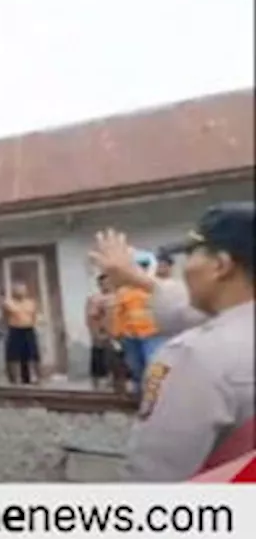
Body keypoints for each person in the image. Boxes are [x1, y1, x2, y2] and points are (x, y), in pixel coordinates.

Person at [90, 202, 255, 481]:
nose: (184, 268)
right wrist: (137, 278)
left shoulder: (193, 356)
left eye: (191, 254)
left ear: (220, 265)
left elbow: (155, 477)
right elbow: (200, 312)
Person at [112, 252, 163, 398]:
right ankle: (141, 395)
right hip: (131, 336)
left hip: (152, 334)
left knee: (153, 365)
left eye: (144, 266)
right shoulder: (123, 291)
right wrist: (117, 335)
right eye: (138, 266)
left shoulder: (155, 287)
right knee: (135, 366)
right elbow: (119, 314)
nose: (141, 269)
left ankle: (155, 396)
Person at [0, 281, 41, 384]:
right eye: (18, 290)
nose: (21, 292)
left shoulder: (31, 303)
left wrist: (35, 324)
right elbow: (4, 317)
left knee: (31, 354)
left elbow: (34, 316)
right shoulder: (9, 303)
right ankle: (14, 378)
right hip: (15, 329)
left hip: (28, 329)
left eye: (23, 290)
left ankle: (32, 377)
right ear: (14, 292)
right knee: (14, 355)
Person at [85, 274, 120, 391]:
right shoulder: (94, 299)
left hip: (117, 333)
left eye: (108, 282)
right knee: (98, 359)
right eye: (103, 283)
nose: (106, 285)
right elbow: (91, 318)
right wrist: (95, 334)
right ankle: (96, 386)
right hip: (101, 333)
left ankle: (115, 384)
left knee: (116, 360)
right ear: (99, 285)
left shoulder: (118, 297)